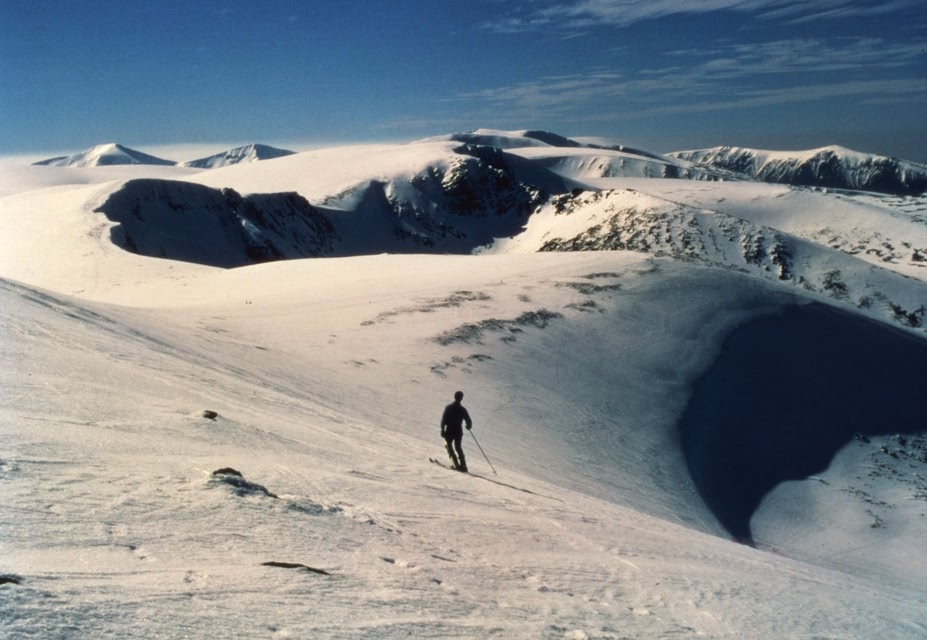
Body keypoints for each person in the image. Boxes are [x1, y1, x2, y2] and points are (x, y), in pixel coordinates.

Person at [440, 390, 472, 472]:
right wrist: (468, 426)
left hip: (450, 430)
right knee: (458, 447)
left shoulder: (449, 408)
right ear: (461, 398)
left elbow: (444, 420)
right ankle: (463, 466)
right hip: (458, 430)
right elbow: (468, 420)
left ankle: (455, 464)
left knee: (449, 446)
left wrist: (442, 430)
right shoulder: (462, 409)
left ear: (455, 397)